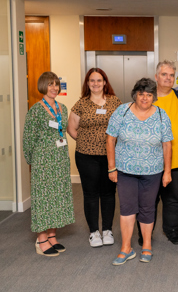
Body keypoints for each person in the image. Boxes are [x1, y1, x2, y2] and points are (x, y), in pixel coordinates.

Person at [106, 78, 173, 265]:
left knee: (147, 207)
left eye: (149, 94)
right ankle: (125, 248)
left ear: (154, 96)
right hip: (125, 170)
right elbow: (110, 140)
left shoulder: (161, 114)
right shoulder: (122, 111)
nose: (145, 98)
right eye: (141, 94)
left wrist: (167, 172)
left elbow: (167, 145)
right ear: (135, 94)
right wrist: (111, 167)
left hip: (152, 171)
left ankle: (147, 245)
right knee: (127, 208)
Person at [67, 68, 121, 248]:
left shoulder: (115, 102)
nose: (96, 84)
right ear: (87, 83)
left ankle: (107, 230)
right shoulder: (81, 104)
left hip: (110, 156)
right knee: (90, 194)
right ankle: (93, 232)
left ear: (105, 82)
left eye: (99, 80)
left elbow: (122, 126)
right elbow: (71, 128)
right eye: (92, 81)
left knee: (108, 193)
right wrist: (85, 142)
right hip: (86, 157)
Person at [23, 71, 75, 257]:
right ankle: (41, 239)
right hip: (42, 161)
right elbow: (28, 139)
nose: (54, 88)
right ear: (43, 86)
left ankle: (52, 235)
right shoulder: (35, 110)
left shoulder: (63, 107)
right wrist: (34, 161)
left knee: (57, 197)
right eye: (50, 84)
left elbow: (62, 131)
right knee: (43, 199)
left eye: (56, 84)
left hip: (60, 159)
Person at [139, 60, 178, 245]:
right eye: (164, 74)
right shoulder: (147, 97)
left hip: (177, 160)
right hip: (150, 162)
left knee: (175, 200)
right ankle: (145, 233)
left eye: (171, 75)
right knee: (148, 200)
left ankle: (172, 229)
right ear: (156, 77)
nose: (168, 78)